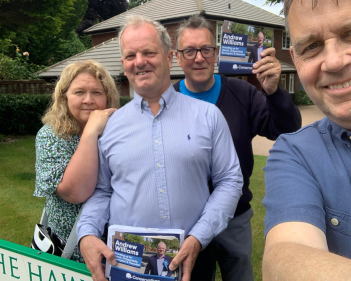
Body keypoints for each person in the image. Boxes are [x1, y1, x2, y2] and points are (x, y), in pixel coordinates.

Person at [77, 14, 243, 281]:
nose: (139, 61)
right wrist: (86, 233)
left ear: (169, 57)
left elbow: (229, 181)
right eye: (130, 56)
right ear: (123, 64)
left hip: (193, 259)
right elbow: (102, 190)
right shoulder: (110, 126)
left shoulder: (208, 116)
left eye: (149, 52)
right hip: (127, 263)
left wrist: (199, 237)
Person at [174, 15, 301, 281]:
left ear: (216, 53)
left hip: (235, 217)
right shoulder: (167, 101)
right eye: (189, 51)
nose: (199, 57)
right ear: (178, 57)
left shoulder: (242, 93)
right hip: (188, 221)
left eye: (206, 49)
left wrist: (274, 92)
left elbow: (285, 129)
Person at [263, 0, 351, 280]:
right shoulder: (296, 154)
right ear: (295, 56)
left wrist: (275, 93)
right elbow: (285, 257)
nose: (335, 62)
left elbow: (281, 122)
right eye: (311, 46)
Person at [34, 60, 120, 262]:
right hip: (68, 251)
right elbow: (75, 193)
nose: (88, 100)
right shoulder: (51, 136)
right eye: (79, 92)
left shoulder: (118, 133)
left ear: (108, 97)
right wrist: (91, 132)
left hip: (117, 246)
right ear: (64, 96)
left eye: (97, 93)